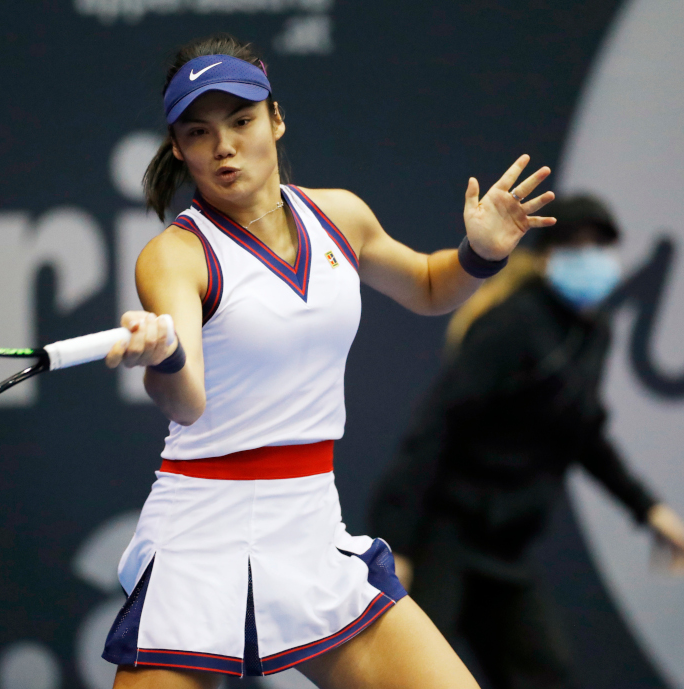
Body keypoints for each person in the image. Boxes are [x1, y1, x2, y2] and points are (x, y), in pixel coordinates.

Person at [102, 33, 556, 688]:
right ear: (178, 147)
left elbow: (429, 285)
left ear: (276, 119)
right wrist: (165, 356)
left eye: (241, 120)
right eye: (199, 132)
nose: (224, 145)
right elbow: (187, 399)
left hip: (309, 528)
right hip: (201, 538)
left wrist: (478, 254)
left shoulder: (339, 214)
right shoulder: (173, 255)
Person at [368, 195, 684, 689]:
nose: (593, 256)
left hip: (506, 549)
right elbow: (435, 427)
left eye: (602, 245)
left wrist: (650, 512)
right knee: (415, 680)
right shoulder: (511, 325)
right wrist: (397, 546)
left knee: (546, 677)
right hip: (444, 539)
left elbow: (583, 434)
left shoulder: (595, 333)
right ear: (549, 254)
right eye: (578, 245)